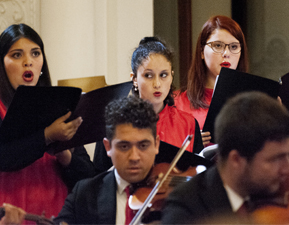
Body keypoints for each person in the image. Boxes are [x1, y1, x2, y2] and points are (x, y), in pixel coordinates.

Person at [0, 23, 94, 218]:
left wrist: (65, 156)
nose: (28, 62)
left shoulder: (60, 106)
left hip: (56, 218)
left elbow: (88, 179)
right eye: (17, 55)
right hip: (10, 216)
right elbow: (5, 157)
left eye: (35, 53)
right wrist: (47, 136)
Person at [161, 91, 289, 224]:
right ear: (236, 160)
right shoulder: (186, 210)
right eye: (275, 159)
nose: (288, 169)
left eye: (287, 155)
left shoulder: (273, 196)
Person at [94, 37, 203, 173]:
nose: (157, 84)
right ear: (134, 79)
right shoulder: (112, 123)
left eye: (163, 75)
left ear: (171, 76)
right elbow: (99, 180)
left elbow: (199, 175)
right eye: (148, 75)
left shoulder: (189, 123)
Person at [55, 95, 160, 225]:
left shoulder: (178, 197)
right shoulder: (84, 193)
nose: (134, 157)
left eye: (143, 146)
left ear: (156, 144)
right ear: (108, 147)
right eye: (124, 146)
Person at [174, 15, 249, 146]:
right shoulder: (175, 103)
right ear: (202, 52)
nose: (226, 53)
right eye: (218, 45)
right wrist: (193, 145)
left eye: (233, 47)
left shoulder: (252, 102)